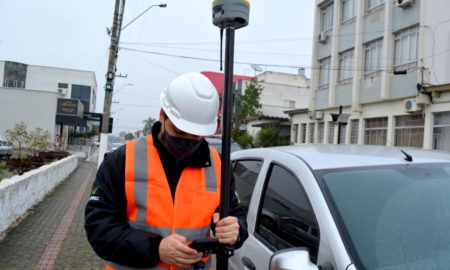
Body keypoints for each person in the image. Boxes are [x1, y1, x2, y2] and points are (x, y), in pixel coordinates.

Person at [85, 72, 248, 270]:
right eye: (179, 131)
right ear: (162, 115)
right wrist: (156, 249)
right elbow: (99, 227)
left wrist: (235, 230)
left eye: (196, 135)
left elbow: (235, 213)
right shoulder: (122, 159)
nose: (187, 140)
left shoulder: (219, 165)